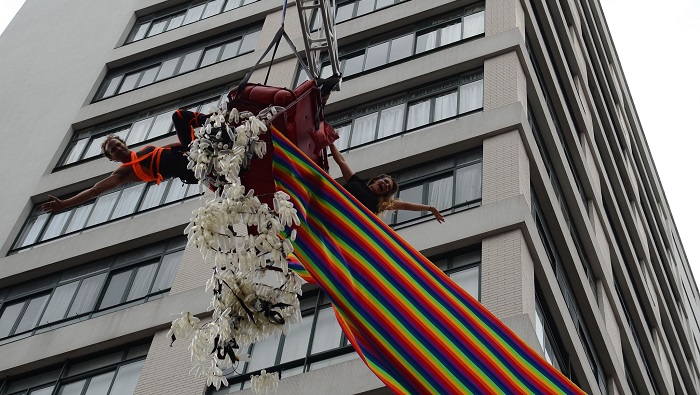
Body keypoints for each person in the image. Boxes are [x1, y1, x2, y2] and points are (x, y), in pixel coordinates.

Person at [42, 110, 208, 213]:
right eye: (113, 150)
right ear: (112, 158)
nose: (118, 149)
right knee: (177, 115)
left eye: (118, 145)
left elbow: (173, 147)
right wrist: (64, 204)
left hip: (192, 154)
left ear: (124, 143)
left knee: (179, 116)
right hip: (190, 169)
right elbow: (94, 191)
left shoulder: (145, 151)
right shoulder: (124, 172)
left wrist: (203, 140)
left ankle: (215, 121)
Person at [328, 144, 445, 223]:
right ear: (375, 180)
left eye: (388, 187)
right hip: (331, 204)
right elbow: (341, 161)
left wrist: (430, 208)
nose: (386, 185)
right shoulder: (356, 181)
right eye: (385, 181)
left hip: (342, 219)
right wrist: (331, 143)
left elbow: (405, 206)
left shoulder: (379, 204)